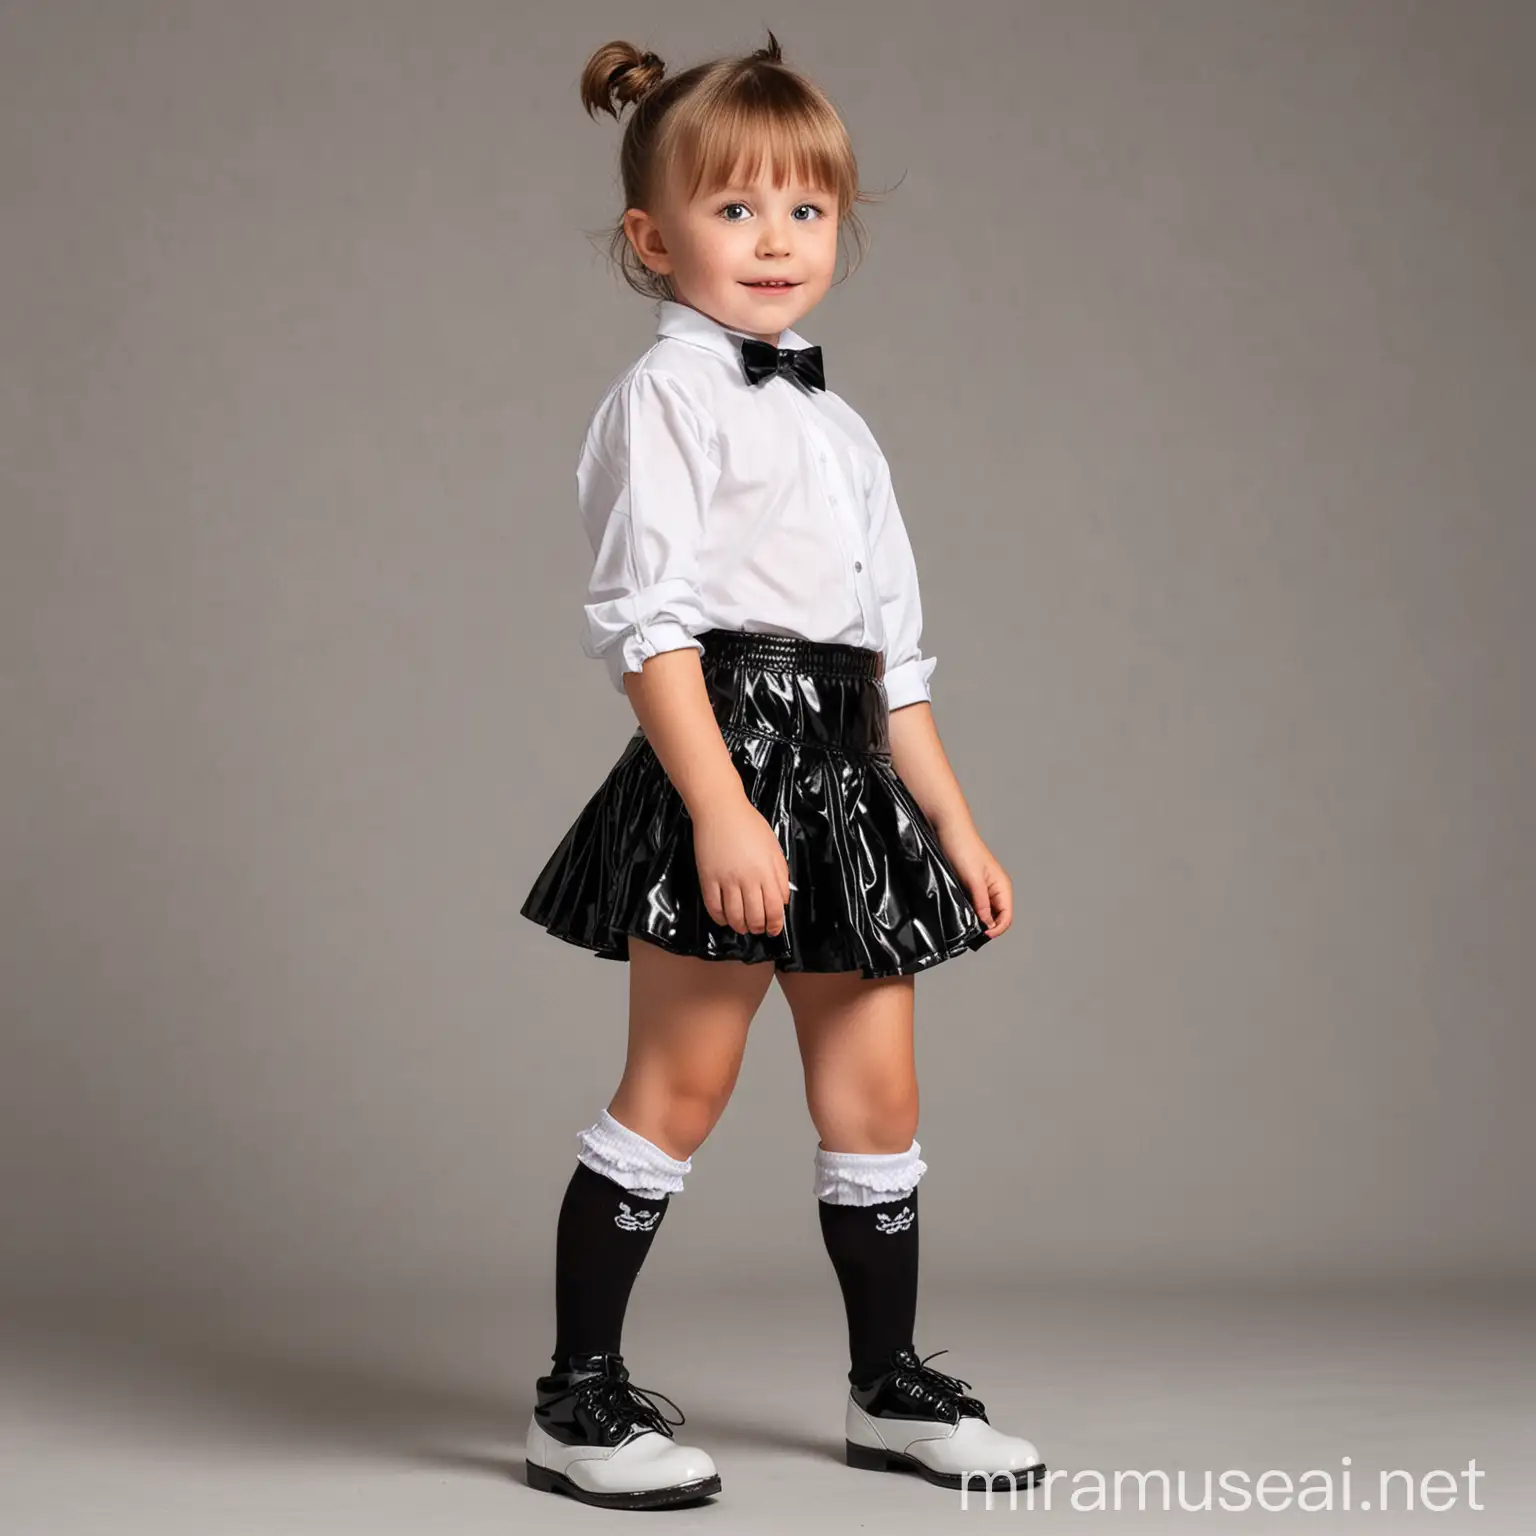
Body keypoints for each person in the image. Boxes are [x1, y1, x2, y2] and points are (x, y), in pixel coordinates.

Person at [520, 31, 1045, 1510]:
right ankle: (577, 1398)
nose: (774, 240)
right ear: (652, 236)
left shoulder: (839, 422)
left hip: (850, 770)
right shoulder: (665, 401)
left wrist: (953, 822)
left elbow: (897, 656)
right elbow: (649, 629)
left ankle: (890, 1388)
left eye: (805, 210)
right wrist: (719, 807)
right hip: (729, 758)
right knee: (679, 1086)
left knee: (878, 1098)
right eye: (735, 209)